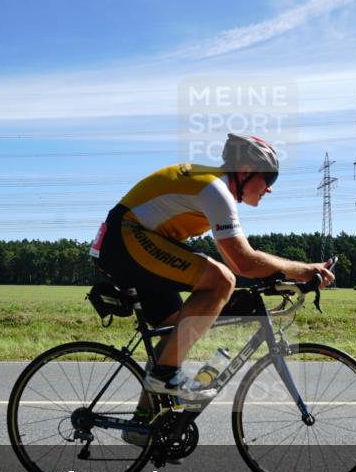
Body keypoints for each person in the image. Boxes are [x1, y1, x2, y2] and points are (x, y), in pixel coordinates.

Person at [90, 133, 335, 414]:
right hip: (126, 239)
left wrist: (280, 274)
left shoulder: (212, 185)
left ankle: (144, 424)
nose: (269, 189)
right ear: (245, 172)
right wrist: (304, 271)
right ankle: (165, 377)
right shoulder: (214, 190)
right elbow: (243, 262)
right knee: (222, 280)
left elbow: (244, 259)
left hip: (126, 240)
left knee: (177, 333)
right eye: (269, 180)